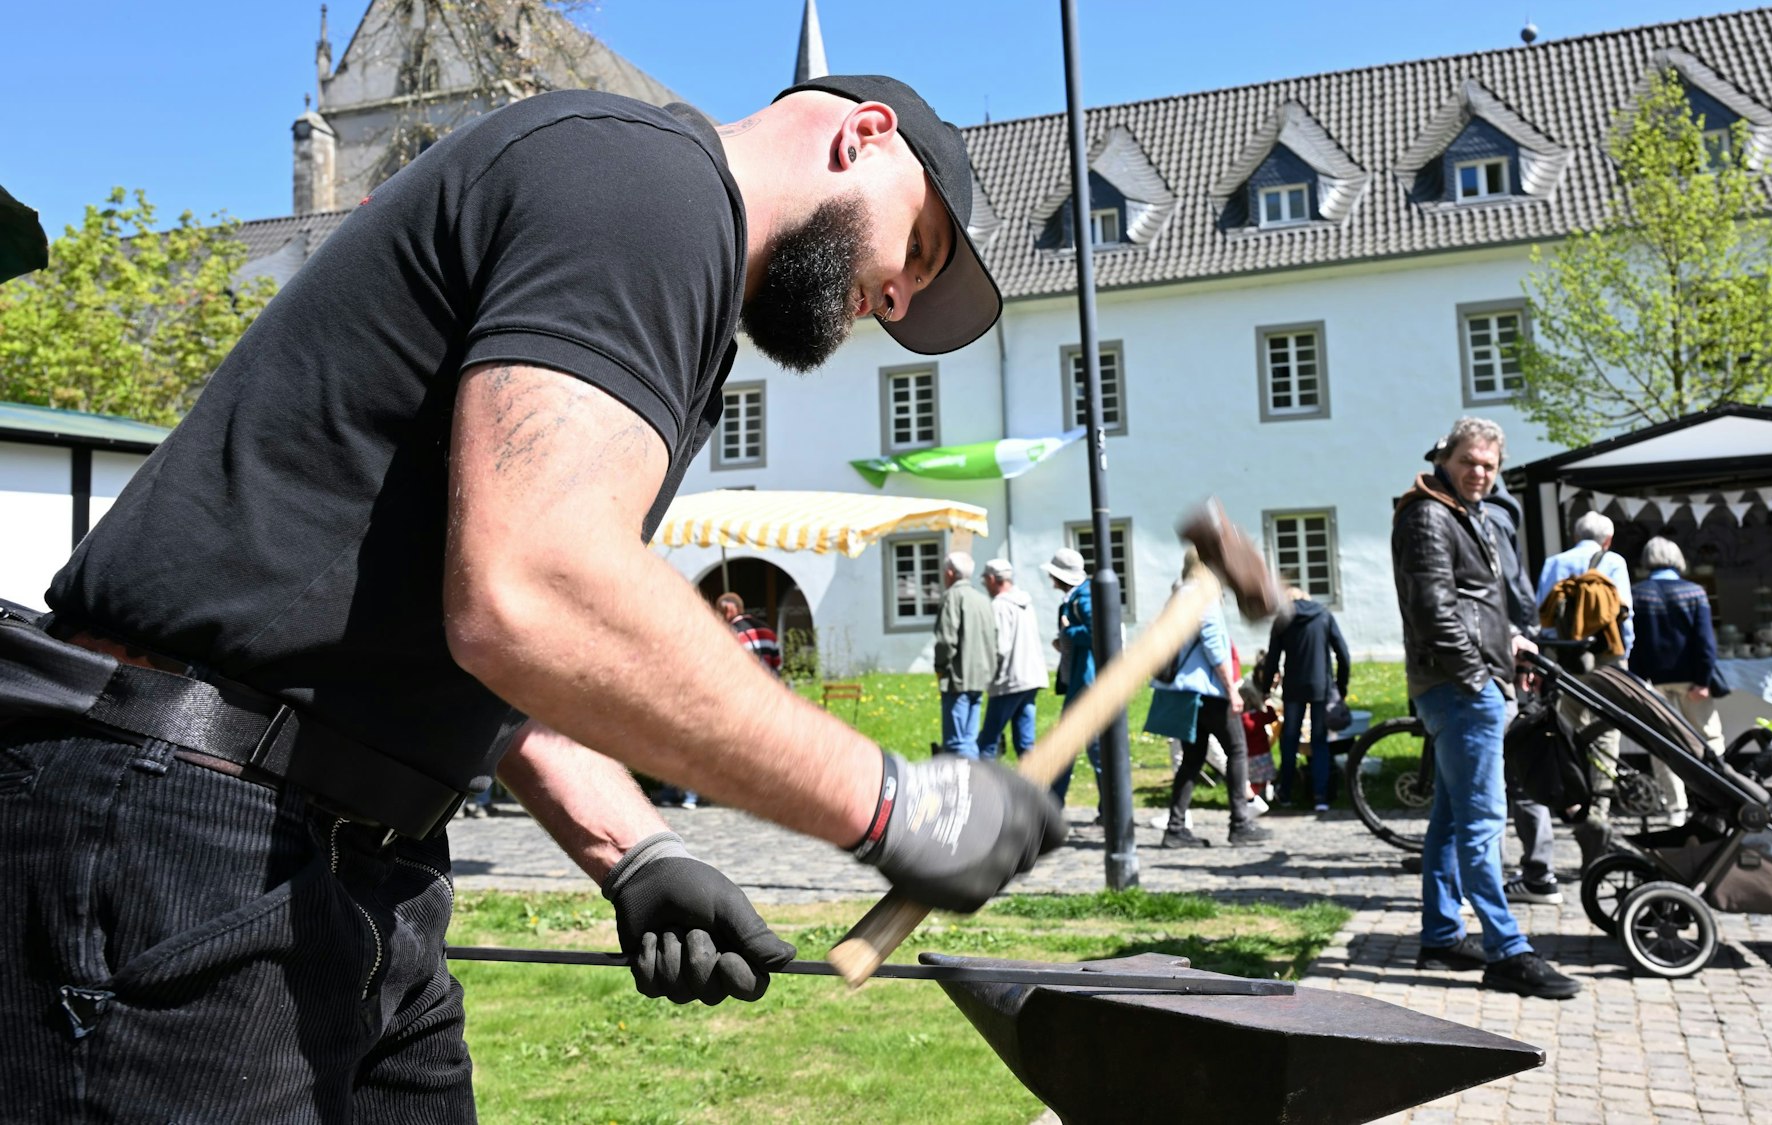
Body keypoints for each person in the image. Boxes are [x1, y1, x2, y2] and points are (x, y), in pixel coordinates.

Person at [0, 75, 1067, 1120]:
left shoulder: (673, 280)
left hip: (360, 859)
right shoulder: (645, 182)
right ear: (862, 137)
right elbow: (535, 588)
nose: (894, 298)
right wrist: (890, 803)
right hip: (182, 828)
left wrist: (635, 849)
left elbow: (485, 629)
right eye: (916, 251)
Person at [1391, 416, 1580, 999]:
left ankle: (1442, 937)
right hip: (1461, 687)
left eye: (1489, 466)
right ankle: (1507, 949)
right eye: (1470, 461)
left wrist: (1511, 641)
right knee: (1482, 824)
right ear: (1445, 457)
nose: (1480, 473)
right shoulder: (1428, 514)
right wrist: (1477, 678)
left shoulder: (1462, 513)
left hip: (1467, 680)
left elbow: (1476, 603)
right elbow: (1434, 608)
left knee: (1450, 822)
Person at [1536, 510, 1659, 852]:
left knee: (1567, 729)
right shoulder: (1614, 561)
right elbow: (1625, 615)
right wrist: (1623, 656)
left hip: (1567, 661)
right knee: (1606, 730)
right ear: (1608, 540)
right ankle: (1600, 810)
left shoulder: (1554, 563)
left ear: (1576, 535)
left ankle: (1572, 800)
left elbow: (1542, 616)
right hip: (1607, 661)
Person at [1480, 469, 1563, 903]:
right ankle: (1538, 871)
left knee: (1501, 772)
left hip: (1500, 661)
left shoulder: (1488, 516)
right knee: (1521, 768)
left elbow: (1507, 587)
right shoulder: (1506, 514)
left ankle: (1510, 877)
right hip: (1514, 655)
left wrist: (1518, 634)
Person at [1157, 549, 1271, 848]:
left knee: (1192, 759)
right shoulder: (1202, 595)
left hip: (1185, 691)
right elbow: (1214, 646)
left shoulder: (1178, 594)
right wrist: (1232, 689)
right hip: (1208, 690)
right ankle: (1240, 823)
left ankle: (1175, 828)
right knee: (1236, 750)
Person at [1628, 537, 1726, 824]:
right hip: (1691, 682)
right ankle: (1718, 796)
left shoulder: (1637, 594)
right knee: (1709, 738)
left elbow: (1633, 643)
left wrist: (1637, 680)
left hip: (1653, 682)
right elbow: (1706, 641)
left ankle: (1676, 809)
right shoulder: (1694, 592)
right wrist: (1704, 679)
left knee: (1663, 744)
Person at [1257, 580, 1351, 811]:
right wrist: (1340, 686)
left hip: (1294, 687)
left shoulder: (1283, 620)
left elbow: (1272, 660)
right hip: (1321, 686)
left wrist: (1265, 689)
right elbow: (1343, 653)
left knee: (1289, 740)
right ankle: (1320, 796)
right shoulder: (1324, 615)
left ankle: (1286, 792)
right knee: (1319, 741)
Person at [1044, 547, 1101, 808]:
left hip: (1085, 683)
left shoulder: (1083, 598)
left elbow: (1095, 632)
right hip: (1080, 680)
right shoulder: (1077, 597)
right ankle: (1054, 803)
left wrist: (1068, 635)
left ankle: (1054, 805)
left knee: (1092, 748)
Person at [977, 559, 1046, 763]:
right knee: (1026, 743)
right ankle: (1035, 789)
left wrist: (985, 672)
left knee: (988, 743)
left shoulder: (999, 606)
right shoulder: (1026, 602)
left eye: (985, 581)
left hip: (1009, 680)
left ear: (992, 579)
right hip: (1031, 677)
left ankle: (985, 790)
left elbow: (1000, 646)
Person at [933, 551, 997, 760]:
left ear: (950, 573)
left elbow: (945, 641)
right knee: (969, 741)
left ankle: (968, 789)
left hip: (957, 678)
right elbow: (993, 638)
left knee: (957, 744)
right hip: (979, 678)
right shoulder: (982, 599)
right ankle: (976, 786)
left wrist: (940, 668)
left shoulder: (952, 597)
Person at [717, 592, 783, 676]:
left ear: (729, 610)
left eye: (719, 613)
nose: (718, 618)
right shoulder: (768, 630)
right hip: (769, 684)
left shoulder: (730, 634)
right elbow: (777, 664)